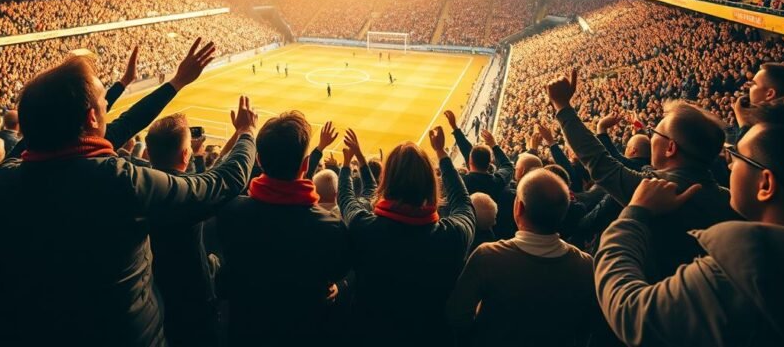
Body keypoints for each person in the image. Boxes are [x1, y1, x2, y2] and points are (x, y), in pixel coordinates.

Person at [0, 38, 258, 346]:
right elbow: (220, 185)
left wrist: (172, 83)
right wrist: (246, 133)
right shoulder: (120, 183)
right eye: (103, 104)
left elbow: (84, 133)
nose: (107, 109)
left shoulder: (0, 184)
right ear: (90, 118)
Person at [595, 98, 784, 346]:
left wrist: (635, 213)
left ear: (766, 185)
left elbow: (630, 311)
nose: (727, 163)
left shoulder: (738, 272)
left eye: (737, 157)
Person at [547, 68, 740, 280]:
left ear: (670, 148)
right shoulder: (730, 199)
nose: (650, 137)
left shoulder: (656, 190)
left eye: (654, 132)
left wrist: (562, 107)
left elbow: (598, 160)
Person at [216, 112, 350, 347]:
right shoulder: (330, 227)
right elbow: (338, 273)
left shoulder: (231, 212)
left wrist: (243, 132)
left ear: (258, 160)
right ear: (306, 165)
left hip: (246, 333)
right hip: (305, 333)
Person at [338, 127, 475, 346]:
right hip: (431, 337)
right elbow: (463, 202)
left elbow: (346, 198)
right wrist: (440, 153)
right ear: (430, 183)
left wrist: (349, 164)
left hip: (370, 336)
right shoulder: (453, 236)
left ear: (387, 182)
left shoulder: (364, 228)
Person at [447, 169, 601, 347]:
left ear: (518, 207)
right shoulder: (585, 265)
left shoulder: (488, 257)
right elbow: (588, 327)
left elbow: (457, 316)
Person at [144, 112, 225, 347]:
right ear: (185, 154)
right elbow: (210, 185)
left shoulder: (138, 188)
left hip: (155, 297)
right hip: (194, 302)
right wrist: (245, 134)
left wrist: (197, 157)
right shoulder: (188, 203)